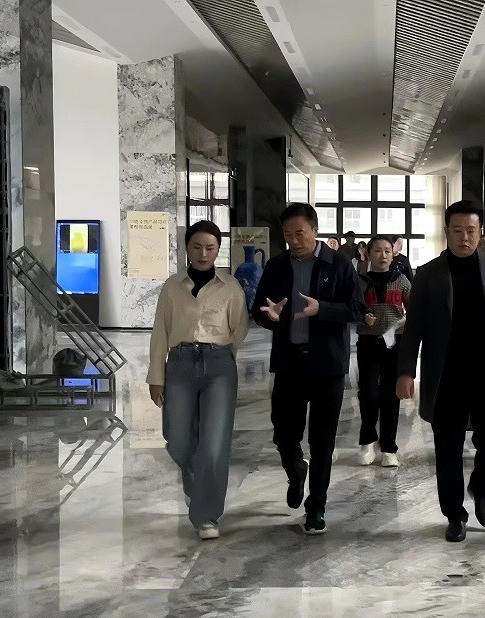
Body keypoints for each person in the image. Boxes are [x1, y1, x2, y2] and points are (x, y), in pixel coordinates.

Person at [397, 200, 485, 542]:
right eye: (458, 230)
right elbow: (414, 327)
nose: (465, 237)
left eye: (471, 231)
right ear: (447, 232)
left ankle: (482, 491)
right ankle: (455, 515)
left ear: (480, 233)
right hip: (447, 376)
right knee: (448, 450)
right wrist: (406, 371)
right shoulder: (428, 274)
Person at [252, 203, 364, 535]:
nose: (294, 240)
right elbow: (259, 309)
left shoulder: (338, 264)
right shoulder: (276, 266)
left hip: (327, 365)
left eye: (300, 233)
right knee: (283, 432)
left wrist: (323, 309)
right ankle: (296, 470)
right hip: (289, 363)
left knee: (322, 439)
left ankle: (316, 506)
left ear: (314, 230)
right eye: (287, 234)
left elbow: (357, 309)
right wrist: (269, 316)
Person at [147, 220, 249, 541]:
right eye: (197, 247)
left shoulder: (230, 287)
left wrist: (222, 357)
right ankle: (197, 479)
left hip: (219, 366)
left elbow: (239, 330)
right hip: (179, 364)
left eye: (210, 248)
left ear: (218, 250)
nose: (203, 254)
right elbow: (160, 332)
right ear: (187, 248)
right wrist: (156, 376)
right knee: (177, 439)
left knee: (214, 444)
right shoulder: (172, 286)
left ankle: (206, 515)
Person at [356, 235, 411, 468]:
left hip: (394, 344)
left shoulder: (401, 280)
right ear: (368, 254)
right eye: (377, 251)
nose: (383, 255)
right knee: (368, 393)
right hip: (368, 343)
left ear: (393, 254)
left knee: (391, 395)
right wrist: (362, 316)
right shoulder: (359, 281)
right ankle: (368, 440)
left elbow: (414, 308)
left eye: (387, 251)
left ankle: (389, 447)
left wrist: (406, 323)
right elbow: (350, 307)